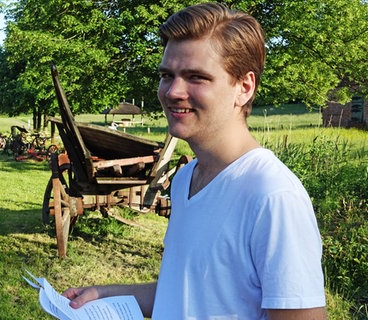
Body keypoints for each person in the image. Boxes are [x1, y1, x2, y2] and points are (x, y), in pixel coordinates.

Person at [62, 3, 326, 319]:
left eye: (196, 77)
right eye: (167, 75)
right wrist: (103, 294)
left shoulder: (272, 196)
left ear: (244, 87)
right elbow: (187, 291)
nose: (173, 91)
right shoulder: (186, 178)